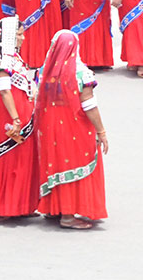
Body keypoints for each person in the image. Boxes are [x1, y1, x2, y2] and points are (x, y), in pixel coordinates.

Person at [35, 28, 108, 230]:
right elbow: (88, 104)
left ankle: (54, 207)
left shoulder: (44, 70)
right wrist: (101, 131)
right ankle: (67, 215)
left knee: (56, 163)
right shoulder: (81, 73)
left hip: (49, 125)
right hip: (73, 126)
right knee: (72, 163)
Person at [0, 16, 40, 220]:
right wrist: (15, 118)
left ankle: (19, 205)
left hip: (22, 111)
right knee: (7, 157)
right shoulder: (3, 57)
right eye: (19, 34)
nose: (23, 38)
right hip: (8, 114)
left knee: (21, 159)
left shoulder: (14, 56)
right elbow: (4, 90)